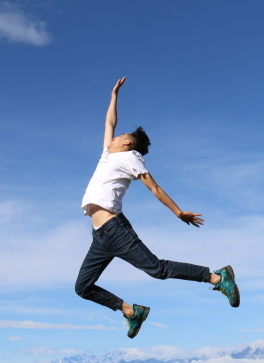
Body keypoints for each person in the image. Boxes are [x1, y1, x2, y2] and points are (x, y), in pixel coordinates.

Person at [74, 77, 239, 338]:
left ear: (127, 144)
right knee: (82, 287)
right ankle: (131, 312)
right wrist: (114, 95)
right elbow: (109, 122)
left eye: (120, 137)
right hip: (99, 238)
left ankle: (217, 277)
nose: (114, 136)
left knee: (157, 269)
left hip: (116, 230)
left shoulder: (130, 157)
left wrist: (178, 212)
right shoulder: (109, 154)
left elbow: (155, 188)